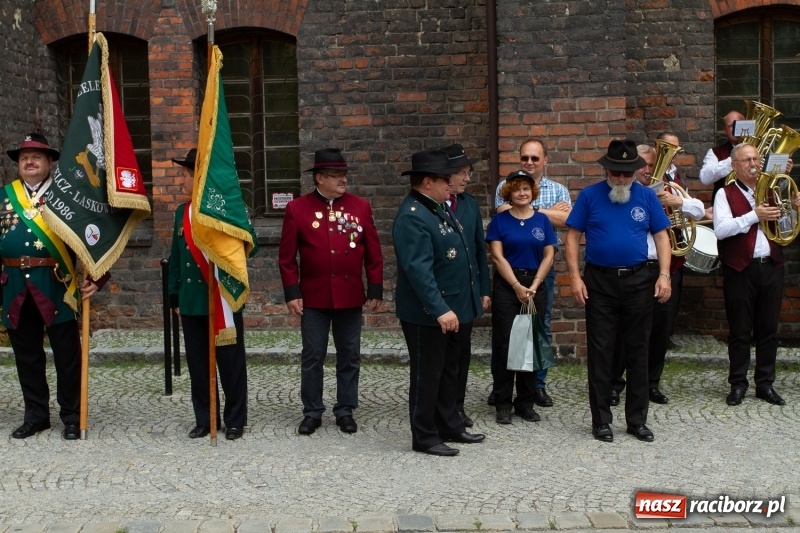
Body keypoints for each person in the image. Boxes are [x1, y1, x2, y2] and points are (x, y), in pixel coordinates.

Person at [1, 133, 108, 440]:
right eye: (24, 158)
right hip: (13, 289)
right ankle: (36, 416)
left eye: (36, 156)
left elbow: (96, 235)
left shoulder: (67, 196)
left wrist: (97, 278)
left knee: (66, 355)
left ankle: (72, 416)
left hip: (56, 286)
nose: (29, 161)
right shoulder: (4, 197)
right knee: (26, 356)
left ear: (49, 162)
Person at [565, 139, 672, 443]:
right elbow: (572, 237)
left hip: (639, 281)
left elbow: (662, 237)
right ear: (607, 170)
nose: (622, 179)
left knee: (639, 349)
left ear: (637, 172)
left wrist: (663, 274)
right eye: (616, 173)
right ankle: (601, 420)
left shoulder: (647, 198)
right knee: (601, 351)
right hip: (599, 282)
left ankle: (637, 420)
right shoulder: (589, 196)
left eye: (628, 174)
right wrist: (575, 277)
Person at [278, 148, 383, 435]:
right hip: (313, 295)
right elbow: (287, 257)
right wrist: (292, 293)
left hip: (349, 294)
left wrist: (374, 287)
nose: (343, 180)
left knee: (350, 353)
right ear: (320, 178)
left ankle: (345, 408)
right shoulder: (297, 209)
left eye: (344, 174)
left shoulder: (360, 206)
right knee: (313, 354)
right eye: (336, 175)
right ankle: (312, 410)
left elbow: (373, 252)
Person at [393, 149, 485, 456]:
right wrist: (440, 309)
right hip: (427, 314)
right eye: (445, 179)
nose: (452, 183)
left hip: (451, 307)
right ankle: (424, 435)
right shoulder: (413, 216)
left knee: (449, 370)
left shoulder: (436, 207)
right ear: (427, 181)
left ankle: (449, 424)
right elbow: (418, 271)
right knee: (427, 374)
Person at [610, 141, 706, 407]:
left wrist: (678, 201)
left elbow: (698, 210)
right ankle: (615, 383)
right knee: (624, 328)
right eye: (642, 165)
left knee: (660, 328)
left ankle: (651, 382)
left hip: (665, 267)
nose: (647, 170)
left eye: (652, 165)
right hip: (634, 267)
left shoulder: (669, 187)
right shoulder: (622, 189)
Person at [169, 148, 249, 440]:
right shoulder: (182, 213)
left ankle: (235, 419)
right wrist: (174, 297)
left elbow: (244, 248)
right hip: (192, 301)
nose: (182, 181)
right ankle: (205, 418)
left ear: (199, 177)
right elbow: (175, 259)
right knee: (199, 365)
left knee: (230, 363)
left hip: (221, 299)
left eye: (186, 175)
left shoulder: (225, 210)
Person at [713, 142, 799, 407]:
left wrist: (793, 208)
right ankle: (738, 384)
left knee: (768, 329)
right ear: (735, 165)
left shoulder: (775, 189)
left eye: (756, 159)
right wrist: (754, 215)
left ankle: (765, 384)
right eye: (747, 160)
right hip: (740, 268)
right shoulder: (724, 194)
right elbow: (721, 230)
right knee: (740, 330)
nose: (753, 164)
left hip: (771, 265)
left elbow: (787, 229)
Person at [492, 138, 571, 408]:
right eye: (525, 157)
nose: (529, 162)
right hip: (510, 275)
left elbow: (566, 220)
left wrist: (532, 212)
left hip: (541, 272)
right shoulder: (506, 186)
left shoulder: (558, 189)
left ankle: (536, 387)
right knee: (506, 334)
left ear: (545, 160)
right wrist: (543, 212)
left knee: (539, 329)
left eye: (535, 158)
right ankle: (501, 391)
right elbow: (504, 212)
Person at [486, 170, 556, 425]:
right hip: (508, 285)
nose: (522, 193)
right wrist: (516, 285)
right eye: (516, 189)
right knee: (506, 343)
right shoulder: (500, 221)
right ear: (509, 194)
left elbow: (549, 254)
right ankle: (503, 403)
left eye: (526, 188)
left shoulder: (543, 221)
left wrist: (534, 285)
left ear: (532, 191)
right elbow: (497, 256)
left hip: (535, 285)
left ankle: (525, 403)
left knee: (530, 343)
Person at [441, 143, 491, 428]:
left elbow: (477, 250)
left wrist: (484, 289)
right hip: (443, 294)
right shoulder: (431, 205)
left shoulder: (470, 204)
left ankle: (457, 406)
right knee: (443, 357)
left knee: (462, 353)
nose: (467, 177)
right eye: (461, 172)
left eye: (468, 172)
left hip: (467, 293)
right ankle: (442, 406)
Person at [699, 110, 745, 200]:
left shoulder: (758, 150)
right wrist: (733, 160)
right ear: (724, 130)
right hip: (724, 206)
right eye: (731, 126)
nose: (735, 128)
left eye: (739, 124)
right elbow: (705, 178)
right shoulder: (714, 152)